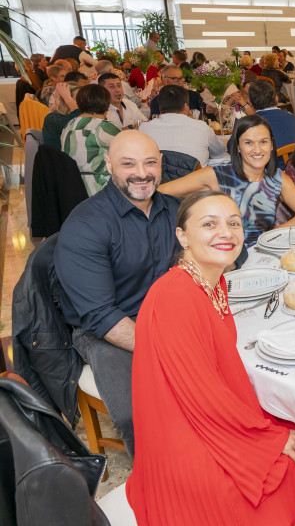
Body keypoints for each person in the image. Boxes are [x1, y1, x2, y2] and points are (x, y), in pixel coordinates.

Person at [127, 190, 295, 524]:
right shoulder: (174, 295)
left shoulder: (214, 283)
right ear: (182, 236)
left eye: (233, 223)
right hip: (183, 439)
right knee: (289, 468)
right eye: (209, 224)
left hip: (205, 413)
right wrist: (267, 439)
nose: (225, 232)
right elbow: (200, 396)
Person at [55, 130, 182, 457]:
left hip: (163, 312)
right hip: (104, 329)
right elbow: (101, 315)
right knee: (142, 411)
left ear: (160, 164)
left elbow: (216, 258)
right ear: (109, 165)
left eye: (149, 162)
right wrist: (165, 349)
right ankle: (163, 478)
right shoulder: (86, 224)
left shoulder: (175, 210)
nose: (141, 173)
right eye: (128, 164)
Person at [158, 115, 295, 245]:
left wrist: (272, 234)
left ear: (272, 145)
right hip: (226, 261)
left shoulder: (276, 177)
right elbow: (159, 193)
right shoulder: (217, 175)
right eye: (248, 143)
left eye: (263, 142)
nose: (257, 150)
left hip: (263, 257)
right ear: (238, 147)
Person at [140, 85, 227, 167]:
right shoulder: (201, 127)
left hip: (160, 182)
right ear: (186, 107)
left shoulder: (144, 129)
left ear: (159, 106)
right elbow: (219, 153)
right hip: (196, 181)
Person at [60, 84, 122, 195]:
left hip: (72, 188)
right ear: (107, 105)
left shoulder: (68, 125)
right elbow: (130, 149)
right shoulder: (103, 127)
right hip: (99, 188)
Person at [247, 80, 295, 152]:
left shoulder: (247, 125)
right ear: (276, 99)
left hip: (266, 163)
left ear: (250, 103)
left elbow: (231, 147)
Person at [149, 64, 216, 119]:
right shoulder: (157, 101)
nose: (180, 81)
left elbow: (208, 115)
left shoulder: (193, 96)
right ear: (164, 79)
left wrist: (211, 110)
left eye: (181, 78)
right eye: (175, 79)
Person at [41, 81, 82, 150]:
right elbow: (81, 122)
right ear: (64, 100)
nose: (83, 101)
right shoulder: (53, 118)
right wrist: (68, 98)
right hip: (63, 159)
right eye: (79, 98)